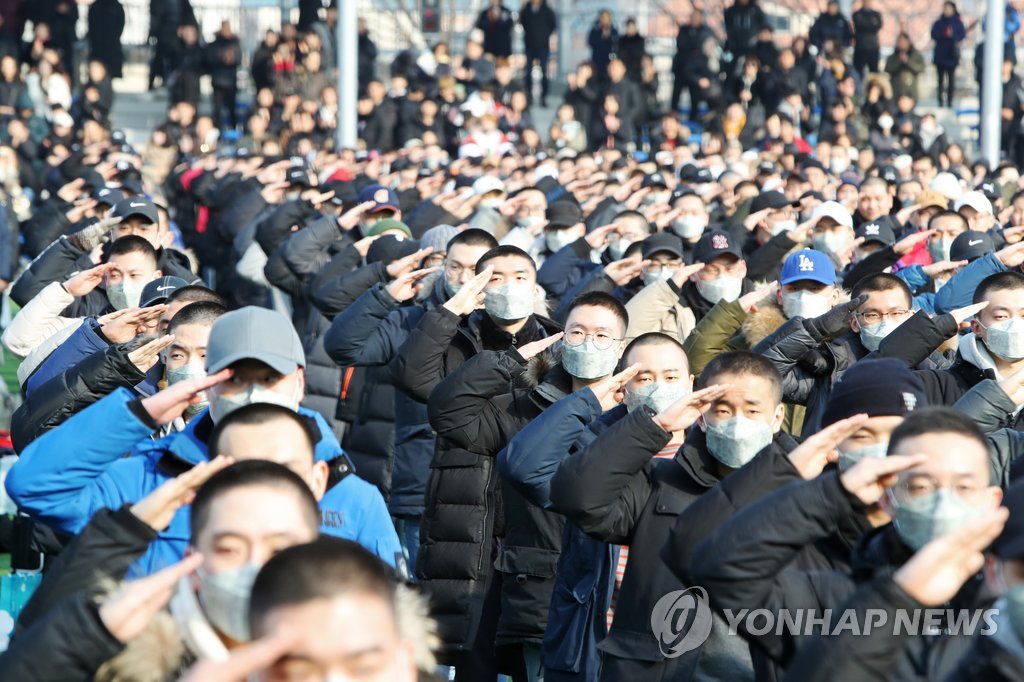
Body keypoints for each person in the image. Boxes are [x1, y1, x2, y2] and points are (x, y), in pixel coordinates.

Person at [689, 408, 1004, 679]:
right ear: (888, 497)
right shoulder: (830, 599)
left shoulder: (1008, 611)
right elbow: (720, 568)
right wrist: (833, 493)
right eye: (921, 486)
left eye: (963, 487)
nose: (942, 503)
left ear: (992, 501)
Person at [550, 351, 787, 680]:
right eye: (723, 410)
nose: (738, 422)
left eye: (752, 410)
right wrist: (655, 427)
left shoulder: (803, 490)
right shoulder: (660, 479)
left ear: (776, 418)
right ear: (702, 417)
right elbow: (577, 497)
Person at [520, 0, 556, 107]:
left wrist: (544, 35)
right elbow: (523, 22)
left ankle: (543, 97)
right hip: (529, 46)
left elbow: (553, 24)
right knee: (528, 73)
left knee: (544, 72)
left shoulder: (547, 10)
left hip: (543, 46)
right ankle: (528, 97)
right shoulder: (526, 10)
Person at [931, 2, 967, 107]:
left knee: (951, 80)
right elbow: (934, 34)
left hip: (951, 55)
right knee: (940, 80)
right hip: (940, 55)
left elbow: (962, 35)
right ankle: (940, 101)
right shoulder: (939, 23)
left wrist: (952, 35)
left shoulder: (957, 23)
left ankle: (950, 101)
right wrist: (943, 34)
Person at [208, 20, 241, 129]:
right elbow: (210, 58)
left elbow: (238, 58)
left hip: (231, 82)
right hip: (218, 82)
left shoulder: (235, 43)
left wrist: (231, 58)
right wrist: (221, 57)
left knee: (232, 109)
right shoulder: (214, 44)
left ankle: (233, 128)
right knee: (217, 109)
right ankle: (217, 129)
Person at [851, 0, 883, 77]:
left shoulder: (876, 14)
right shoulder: (857, 14)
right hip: (860, 47)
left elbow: (878, 25)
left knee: (874, 72)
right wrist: (871, 23)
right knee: (858, 72)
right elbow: (860, 24)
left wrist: (868, 24)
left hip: (873, 48)